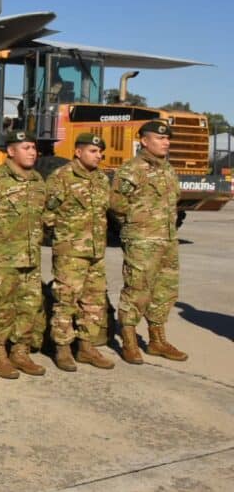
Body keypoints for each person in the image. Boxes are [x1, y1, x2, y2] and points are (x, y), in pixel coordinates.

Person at [111, 119, 187, 363]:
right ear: (144, 141)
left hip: (167, 239)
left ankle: (157, 340)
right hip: (142, 240)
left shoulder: (168, 169)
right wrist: (136, 227)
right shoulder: (132, 169)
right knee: (137, 290)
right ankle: (129, 341)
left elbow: (174, 201)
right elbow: (117, 204)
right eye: (160, 138)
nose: (166, 143)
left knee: (165, 290)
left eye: (167, 139)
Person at [0, 130, 48, 379]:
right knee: (1, 308)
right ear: (10, 151)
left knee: (29, 307)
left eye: (33, 148)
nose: (32, 152)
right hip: (2, 259)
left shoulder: (37, 180)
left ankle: (20, 352)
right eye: (26, 147)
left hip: (30, 257)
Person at [44, 132, 114, 371]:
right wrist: (65, 236)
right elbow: (48, 213)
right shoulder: (62, 177)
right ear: (78, 152)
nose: (98, 156)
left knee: (94, 301)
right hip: (71, 253)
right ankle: (63, 348)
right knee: (66, 301)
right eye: (93, 151)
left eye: (100, 152)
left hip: (96, 252)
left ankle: (86, 347)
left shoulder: (101, 179)